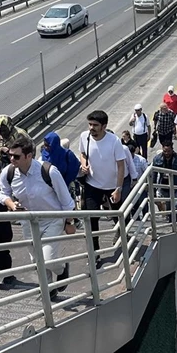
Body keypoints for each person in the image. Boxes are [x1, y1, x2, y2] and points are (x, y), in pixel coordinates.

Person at [0, 139, 75, 298]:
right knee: (36, 260)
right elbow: (3, 194)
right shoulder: (8, 172)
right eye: (10, 156)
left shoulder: (49, 171)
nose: (12, 159)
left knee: (47, 258)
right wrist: (12, 205)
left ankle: (62, 270)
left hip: (52, 219)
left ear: (29, 156)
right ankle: (49, 289)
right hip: (28, 221)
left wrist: (69, 222)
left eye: (16, 157)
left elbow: (66, 201)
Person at [78, 111, 126, 261]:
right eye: (90, 124)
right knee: (91, 219)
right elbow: (82, 153)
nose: (91, 128)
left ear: (104, 126)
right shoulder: (84, 137)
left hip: (112, 186)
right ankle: (95, 253)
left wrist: (118, 189)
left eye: (95, 125)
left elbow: (121, 166)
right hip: (93, 185)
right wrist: (83, 163)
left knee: (119, 216)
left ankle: (124, 237)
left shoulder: (114, 141)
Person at [151, 140, 177, 219]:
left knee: (176, 205)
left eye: (168, 151)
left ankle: (175, 221)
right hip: (165, 187)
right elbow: (154, 175)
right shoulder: (157, 159)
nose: (167, 153)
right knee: (168, 207)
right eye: (165, 151)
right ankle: (171, 223)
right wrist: (153, 190)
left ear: (172, 149)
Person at [0, 114, 31, 181]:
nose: (3, 133)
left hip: (22, 167)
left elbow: (31, 150)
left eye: (4, 130)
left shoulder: (20, 134)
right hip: (5, 167)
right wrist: (1, 150)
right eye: (0, 130)